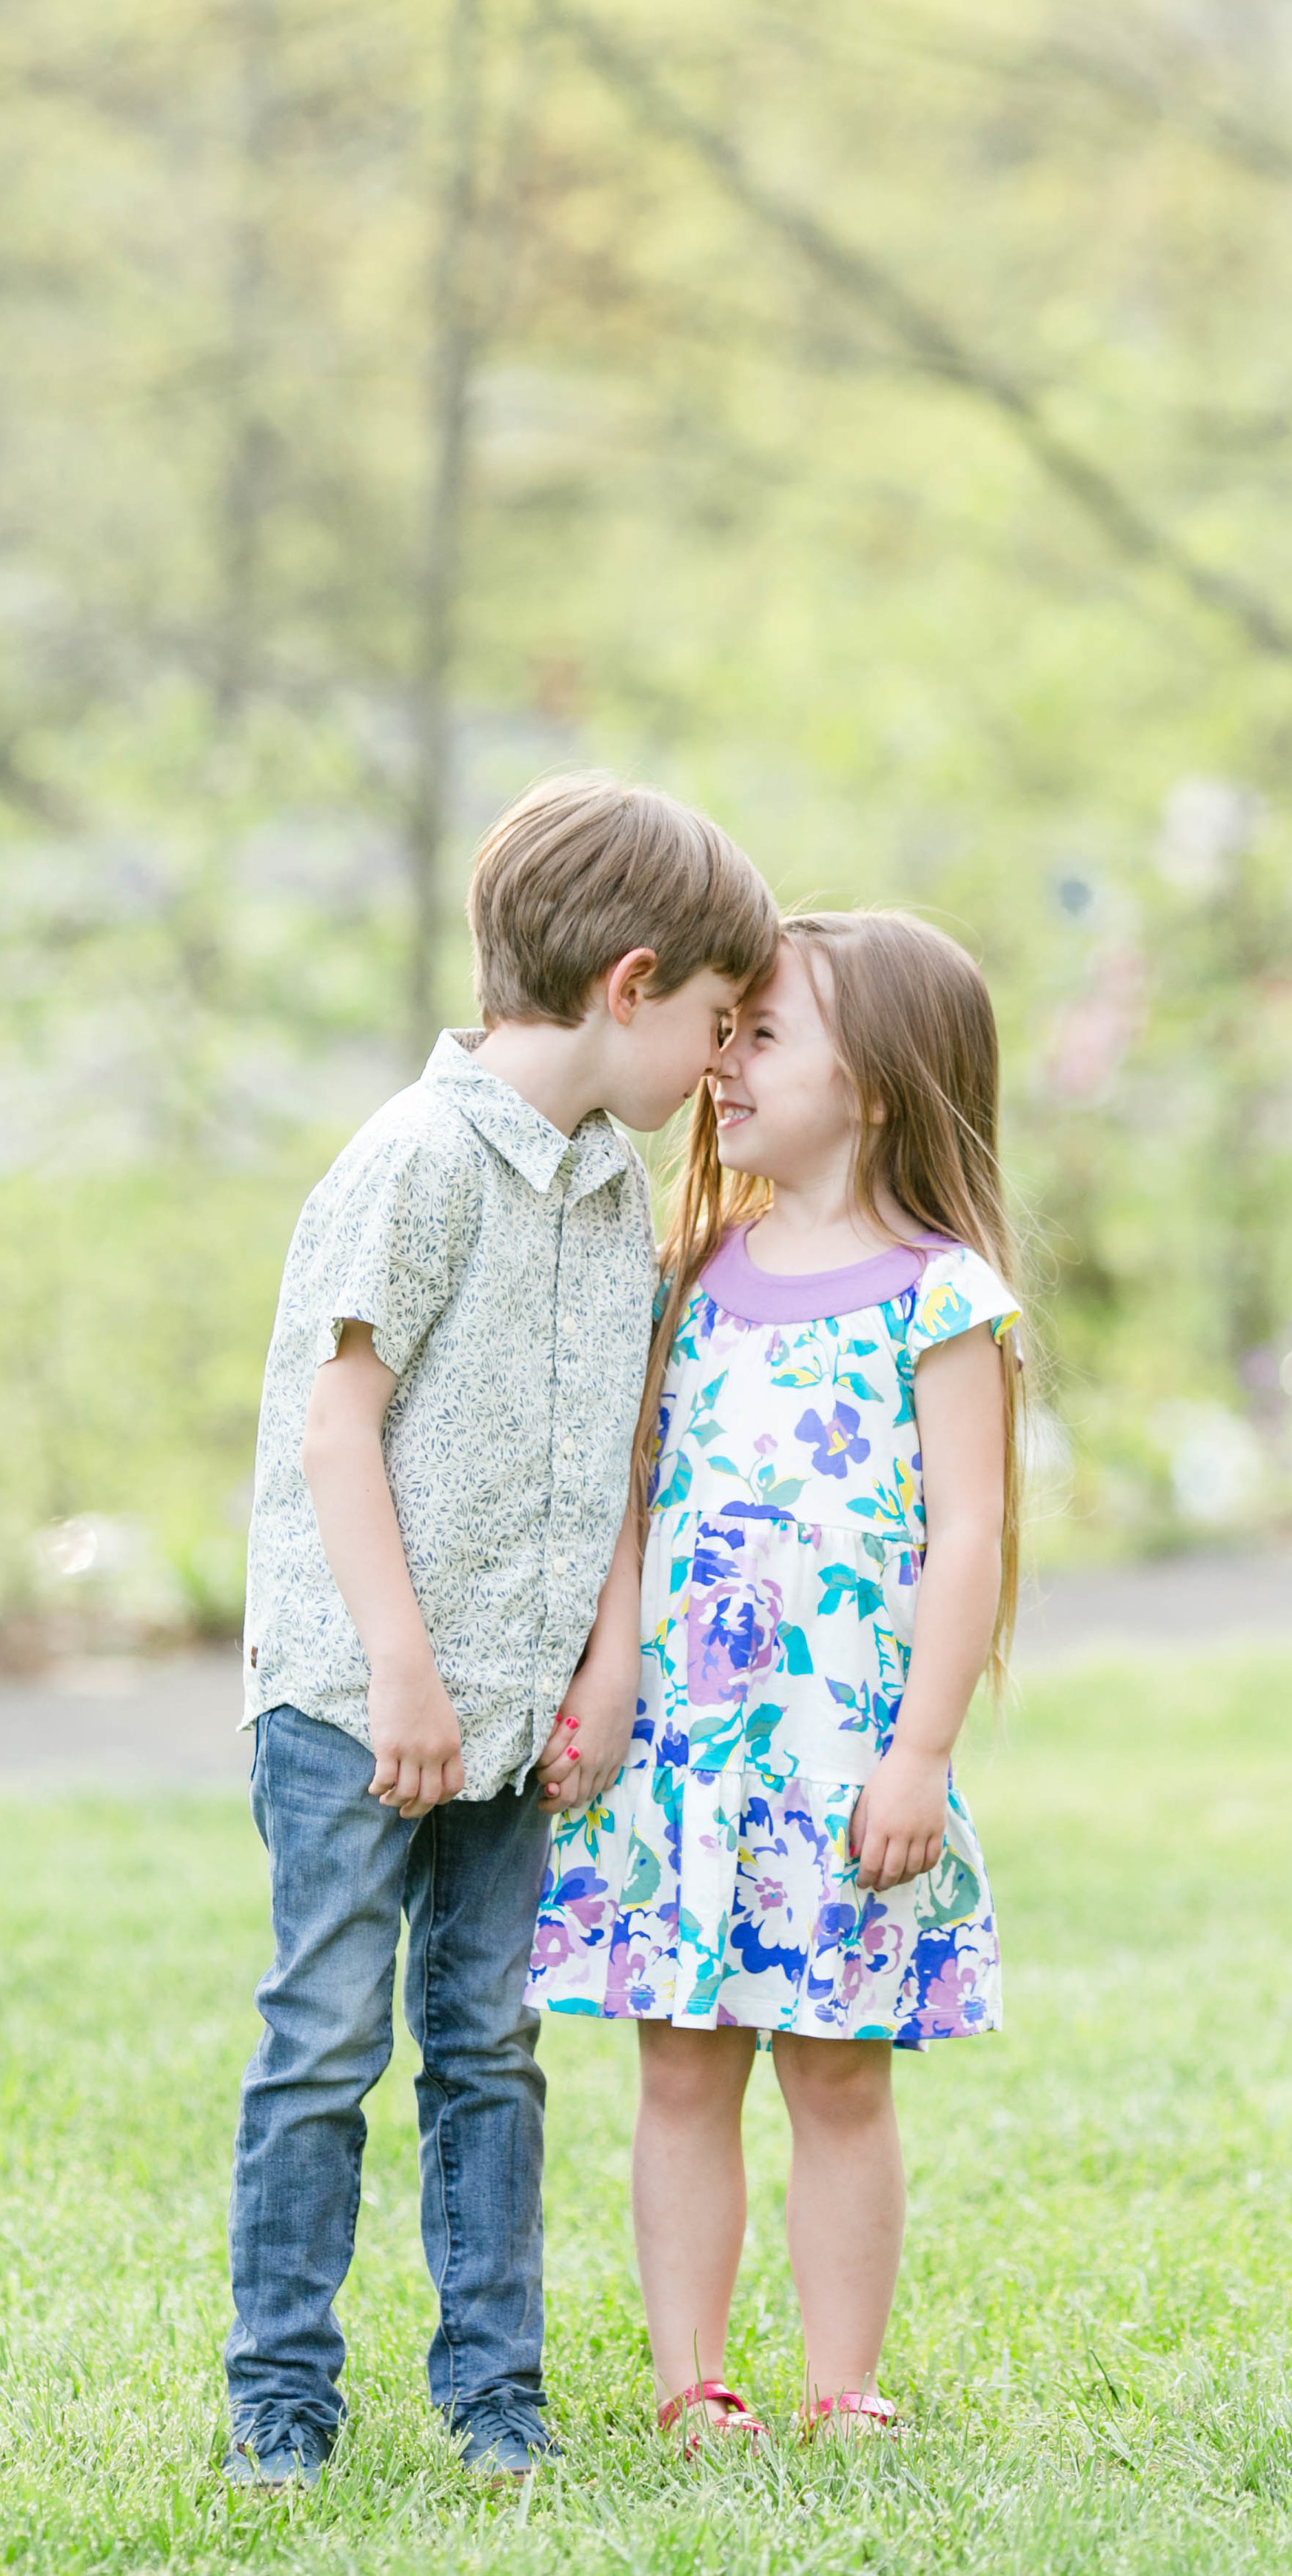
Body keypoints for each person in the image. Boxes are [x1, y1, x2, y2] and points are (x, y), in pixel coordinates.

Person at [222, 775, 777, 2490]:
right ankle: (283, 2399)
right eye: (713, 1020)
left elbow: (616, 1456)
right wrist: (401, 1665)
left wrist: (603, 1666)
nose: (720, 1061)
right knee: (327, 2039)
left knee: (487, 2045)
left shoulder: (617, 1199)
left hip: (521, 1709)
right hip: (356, 1701)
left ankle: (492, 2393)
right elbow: (338, 1426)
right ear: (629, 985)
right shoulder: (415, 1159)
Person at [526, 910, 1023, 2445]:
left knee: (836, 2080)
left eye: (760, 1037)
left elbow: (967, 1541)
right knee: (680, 2075)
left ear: (870, 1083)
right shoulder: (692, 1271)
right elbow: (626, 1492)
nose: (719, 1065)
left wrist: (921, 1755)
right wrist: (607, 1678)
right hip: (686, 1757)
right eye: (719, 1033)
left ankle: (839, 2387)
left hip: (841, 1762)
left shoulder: (938, 1297)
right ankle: (691, 2389)